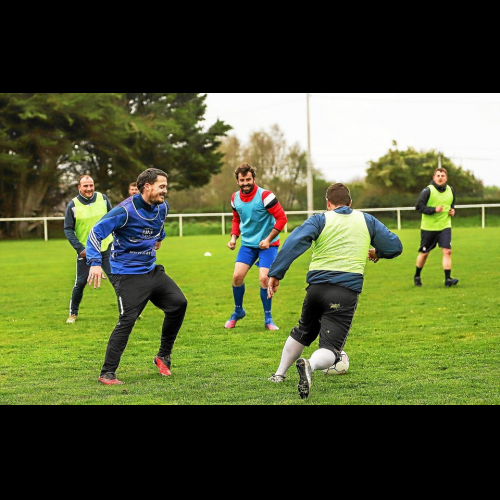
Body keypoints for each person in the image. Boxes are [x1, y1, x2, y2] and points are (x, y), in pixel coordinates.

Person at [267, 183, 403, 400]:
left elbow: (294, 241)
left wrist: (276, 273)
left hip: (315, 289)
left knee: (303, 331)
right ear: (351, 203)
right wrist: (377, 251)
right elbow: (395, 246)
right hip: (344, 291)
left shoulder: (320, 219)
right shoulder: (366, 220)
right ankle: (309, 365)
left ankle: (278, 374)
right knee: (331, 350)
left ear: (328, 203)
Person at [86, 168, 188, 386]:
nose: (165, 191)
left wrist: (159, 238)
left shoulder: (163, 207)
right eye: (162, 186)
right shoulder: (124, 211)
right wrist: (95, 263)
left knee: (178, 303)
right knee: (128, 320)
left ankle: (163, 356)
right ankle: (107, 373)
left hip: (151, 270)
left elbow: (158, 229)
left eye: (165, 187)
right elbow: (96, 233)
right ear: (147, 186)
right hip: (127, 274)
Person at [226, 164, 288, 331]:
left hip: (268, 245)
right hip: (247, 244)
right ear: (237, 181)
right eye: (242, 180)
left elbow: (282, 219)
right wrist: (233, 238)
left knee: (264, 279)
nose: (245, 183)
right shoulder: (234, 198)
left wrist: (268, 239)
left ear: (253, 179)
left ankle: (268, 318)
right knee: (237, 276)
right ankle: (238, 311)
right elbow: (236, 219)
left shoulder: (266, 196)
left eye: (248, 179)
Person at [64, 175, 114, 324]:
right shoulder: (72, 205)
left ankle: (129, 312)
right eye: (85, 186)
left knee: (118, 281)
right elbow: (68, 229)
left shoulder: (103, 199)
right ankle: (73, 313)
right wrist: (80, 249)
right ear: (79, 187)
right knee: (80, 283)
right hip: (87, 252)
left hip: (106, 248)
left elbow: (113, 219)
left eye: (91, 185)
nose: (89, 188)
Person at [414, 167, 459, 288]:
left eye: (442, 175)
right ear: (434, 178)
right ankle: (417, 275)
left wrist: (452, 211)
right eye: (438, 175)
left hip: (445, 226)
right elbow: (418, 206)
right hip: (429, 228)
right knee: (425, 253)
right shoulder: (427, 190)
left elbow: (451, 205)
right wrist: (433, 210)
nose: (440, 177)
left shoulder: (451, 190)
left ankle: (448, 279)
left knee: (447, 251)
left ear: (446, 178)